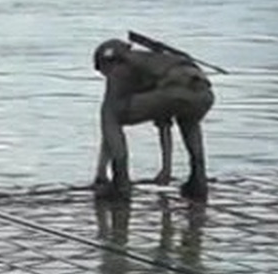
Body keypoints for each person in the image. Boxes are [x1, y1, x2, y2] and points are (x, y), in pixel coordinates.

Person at [90, 37, 214, 203]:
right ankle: (198, 180)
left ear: (106, 62)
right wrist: (166, 169)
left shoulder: (120, 67)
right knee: (189, 122)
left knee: (109, 115)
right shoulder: (153, 62)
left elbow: (110, 121)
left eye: (102, 71)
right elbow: (164, 124)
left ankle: (120, 183)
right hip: (203, 93)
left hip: (174, 90)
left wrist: (101, 175)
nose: (105, 76)